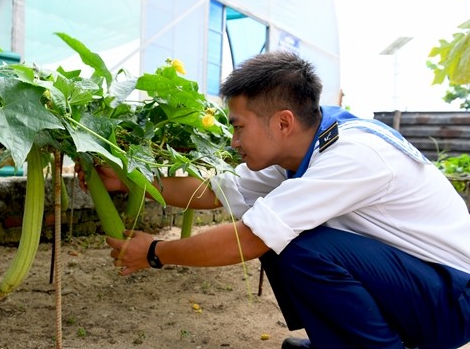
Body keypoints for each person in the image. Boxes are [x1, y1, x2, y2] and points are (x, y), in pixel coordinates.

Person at [77, 51, 470, 349]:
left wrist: (155, 252)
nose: (233, 141)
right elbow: (215, 192)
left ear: (282, 122)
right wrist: (128, 182)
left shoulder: (354, 155)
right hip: (416, 281)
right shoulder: (298, 147)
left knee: (296, 245)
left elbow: (248, 239)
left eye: (238, 127)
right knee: (287, 237)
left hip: (452, 299)